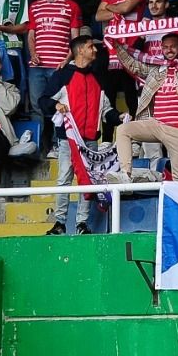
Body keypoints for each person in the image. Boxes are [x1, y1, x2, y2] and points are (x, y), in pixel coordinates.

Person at [40, 34, 119, 235]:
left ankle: (82, 224)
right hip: (68, 140)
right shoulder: (61, 76)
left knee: (88, 181)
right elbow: (43, 101)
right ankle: (59, 223)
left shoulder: (99, 78)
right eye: (91, 46)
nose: (95, 50)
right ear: (80, 50)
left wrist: (120, 118)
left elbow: (106, 110)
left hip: (91, 140)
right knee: (64, 180)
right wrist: (56, 105)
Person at [116, 32, 178, 181]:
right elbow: (132, 64)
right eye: (165, 47)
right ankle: (125, 174)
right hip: (156, 124)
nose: (169, 50)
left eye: (173, 46)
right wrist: (116, 45)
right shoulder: (155, 69)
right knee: (123, 130)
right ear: (161, 48)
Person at [26, 0, 83, 156]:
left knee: (58, 106)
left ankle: (57, 145)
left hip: (59, 66)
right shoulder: (35, 6)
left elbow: (75, 38)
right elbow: (31, 35)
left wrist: (67, 60)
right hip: (37, 67)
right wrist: (33, 53)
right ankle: (38, 147)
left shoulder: (72, 6)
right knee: (37, 107)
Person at [94, 0, 146, 112]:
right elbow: (98, 16)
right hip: (111, 47)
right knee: (109, 92)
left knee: (130, 91)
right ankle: (108, 136)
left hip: (131, 45)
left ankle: (136, 131)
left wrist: (109, 6)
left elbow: (126, 7)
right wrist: (117, 8)